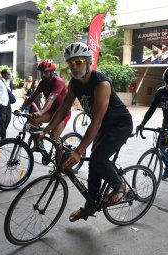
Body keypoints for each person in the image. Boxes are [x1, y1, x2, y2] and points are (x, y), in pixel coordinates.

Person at [37, 42, 133, 222]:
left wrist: (80, 150)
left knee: (98, 159)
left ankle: (119, 186)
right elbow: (64, 108)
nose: (74, 66)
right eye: (70, 63)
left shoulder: (101, 83)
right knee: (93, 166)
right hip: (103, 126)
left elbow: (96, 121)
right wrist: (46, 131)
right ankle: (90, 205)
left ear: (88, 61)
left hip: (120, 125)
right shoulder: (74, 83)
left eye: (79, 61)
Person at [17, 60, 70, 141]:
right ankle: (38, 145)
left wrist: (41, 112)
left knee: (53, 138)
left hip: (62, 113)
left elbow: (51, 98)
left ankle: (61, 153)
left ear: (52, 72)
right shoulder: (43, 83)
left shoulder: (58, 82)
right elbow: (32, 97)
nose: (42, 75)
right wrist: (21, 108)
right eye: (41, 72)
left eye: (45, 72)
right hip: (50, 111)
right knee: (33, 119)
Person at [0, 69, 13, 140]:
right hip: (2, 103)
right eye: (8, 74)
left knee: (8, 118)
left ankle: (1, 131)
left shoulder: (8, 81)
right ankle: (3, 137)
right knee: (3, 120)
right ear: (4, 75)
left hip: (7, 102)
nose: (9, 75)